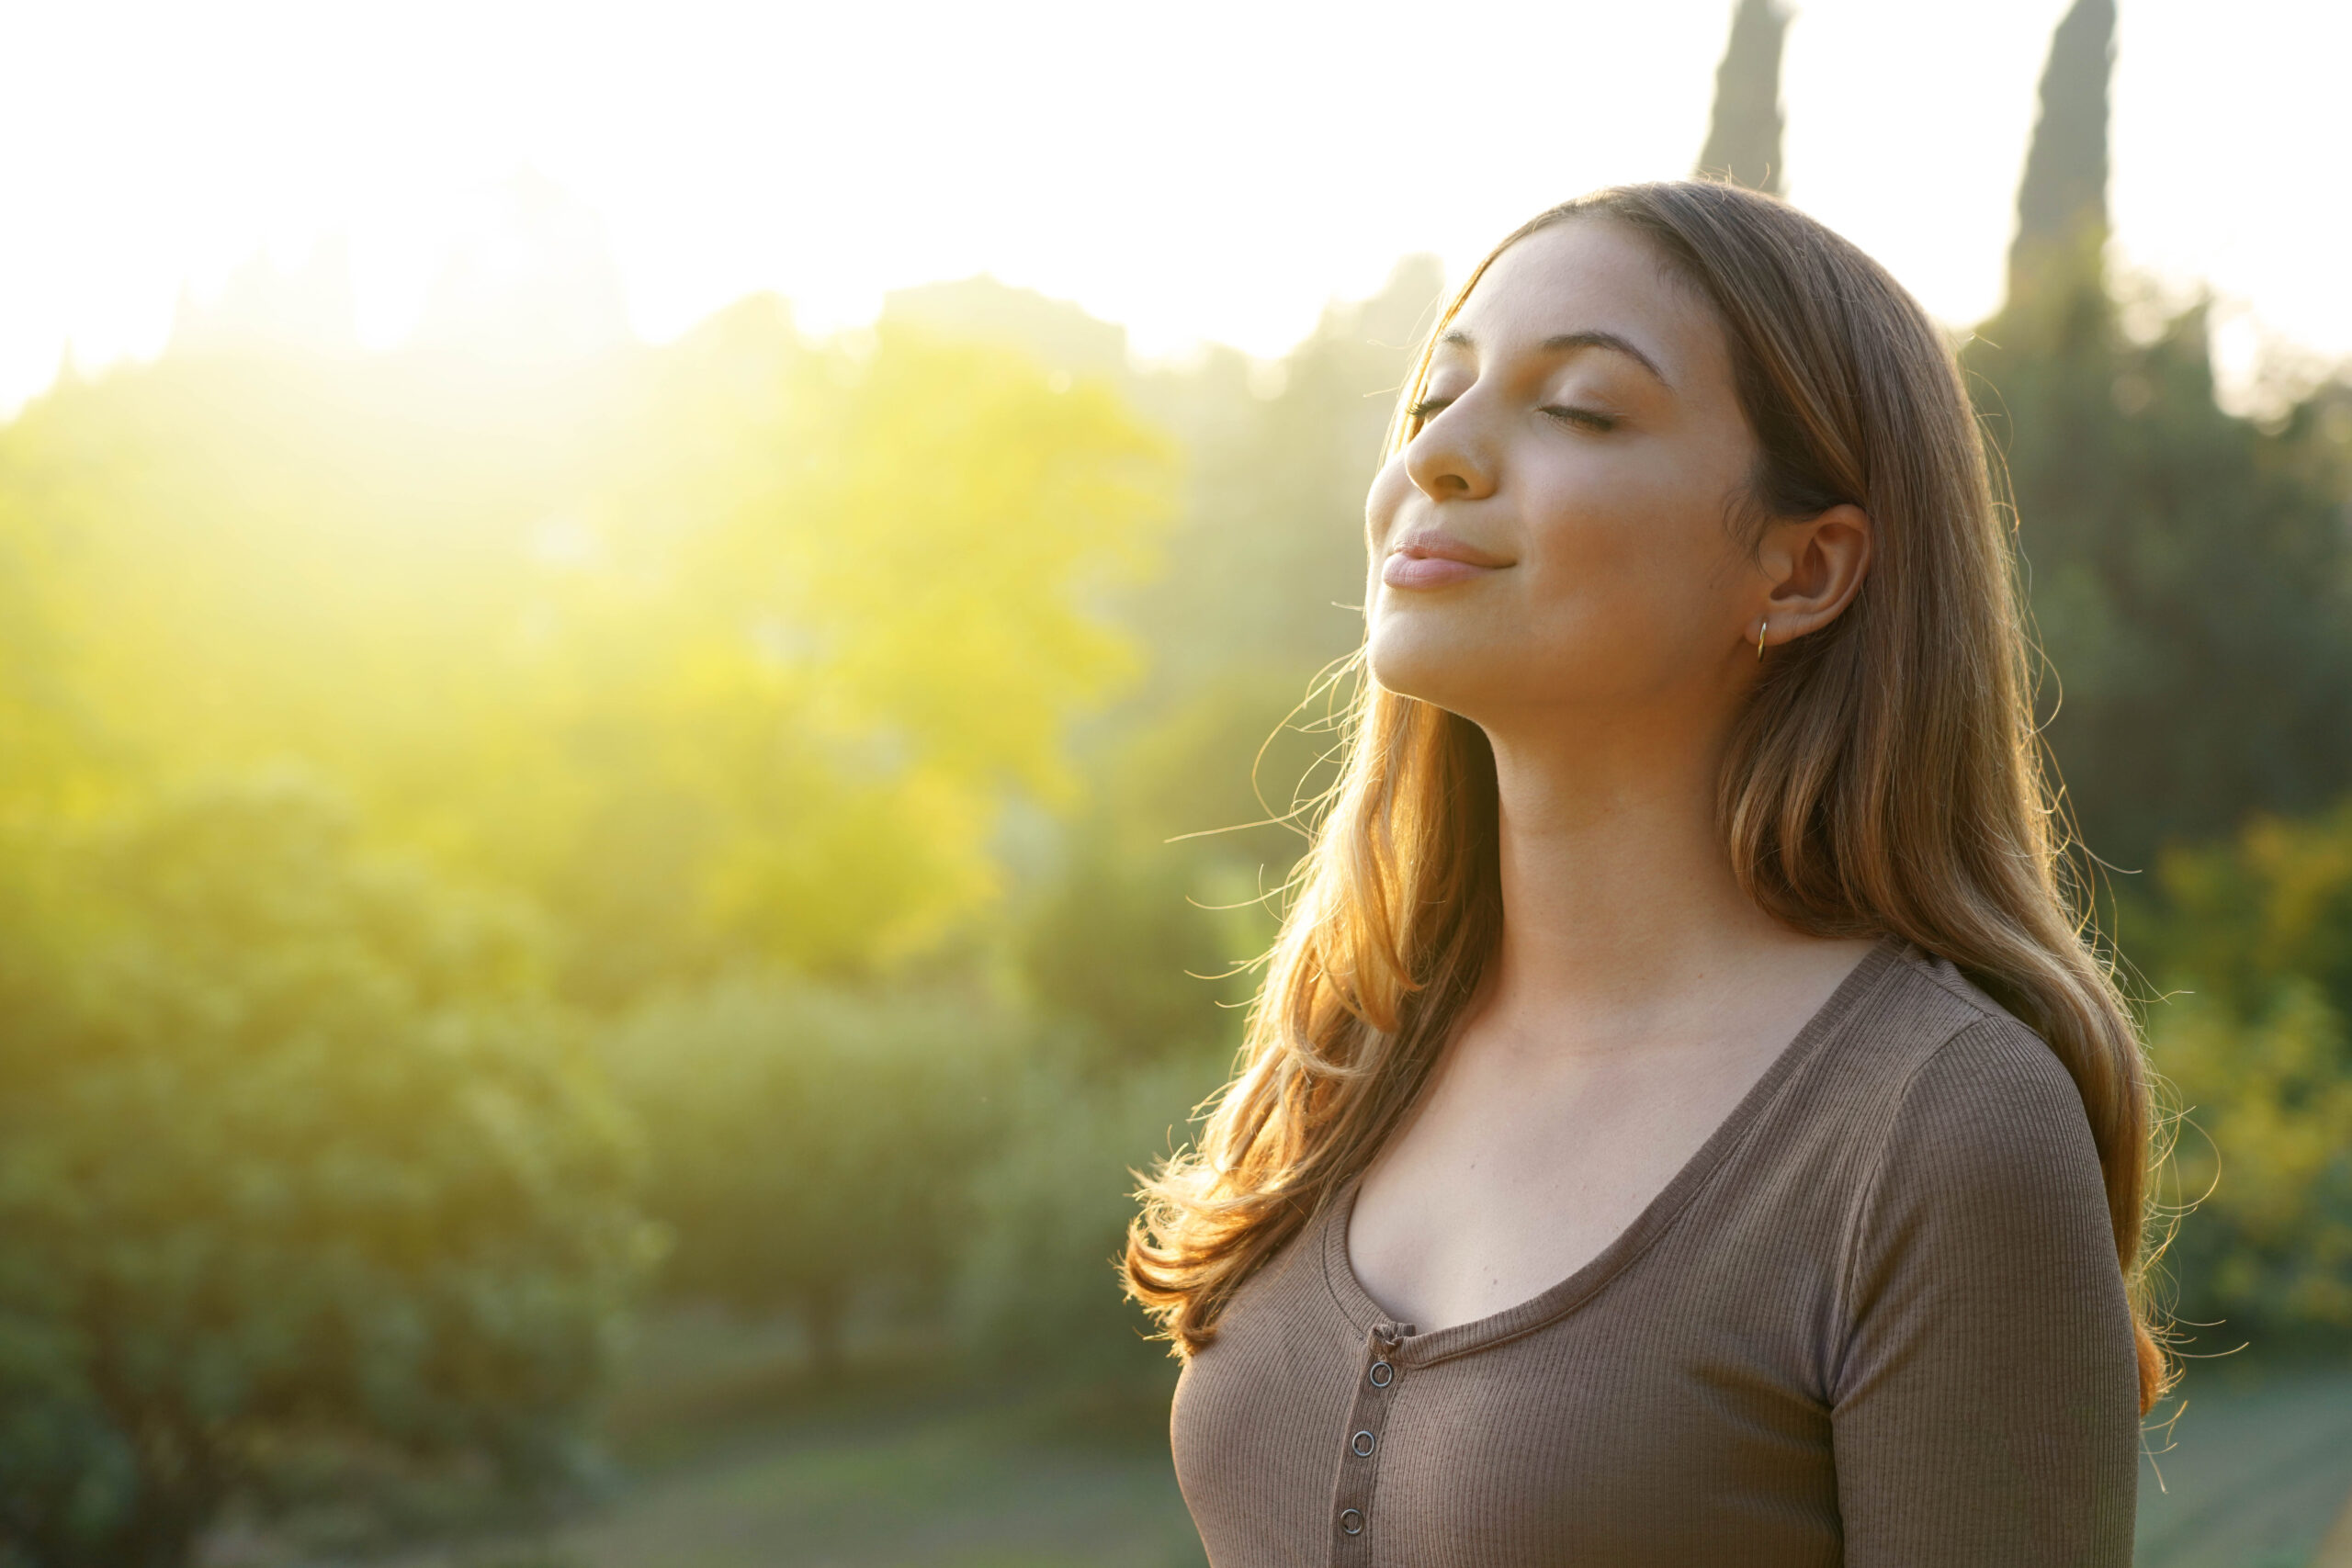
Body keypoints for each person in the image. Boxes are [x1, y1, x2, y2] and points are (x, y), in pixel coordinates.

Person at [1124, 181, 2163, 1568]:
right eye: (1435, 399)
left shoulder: (1940, 1133)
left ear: (1803, 571)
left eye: (1582, 410)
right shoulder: (1354, 1048)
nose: (1439, 458)